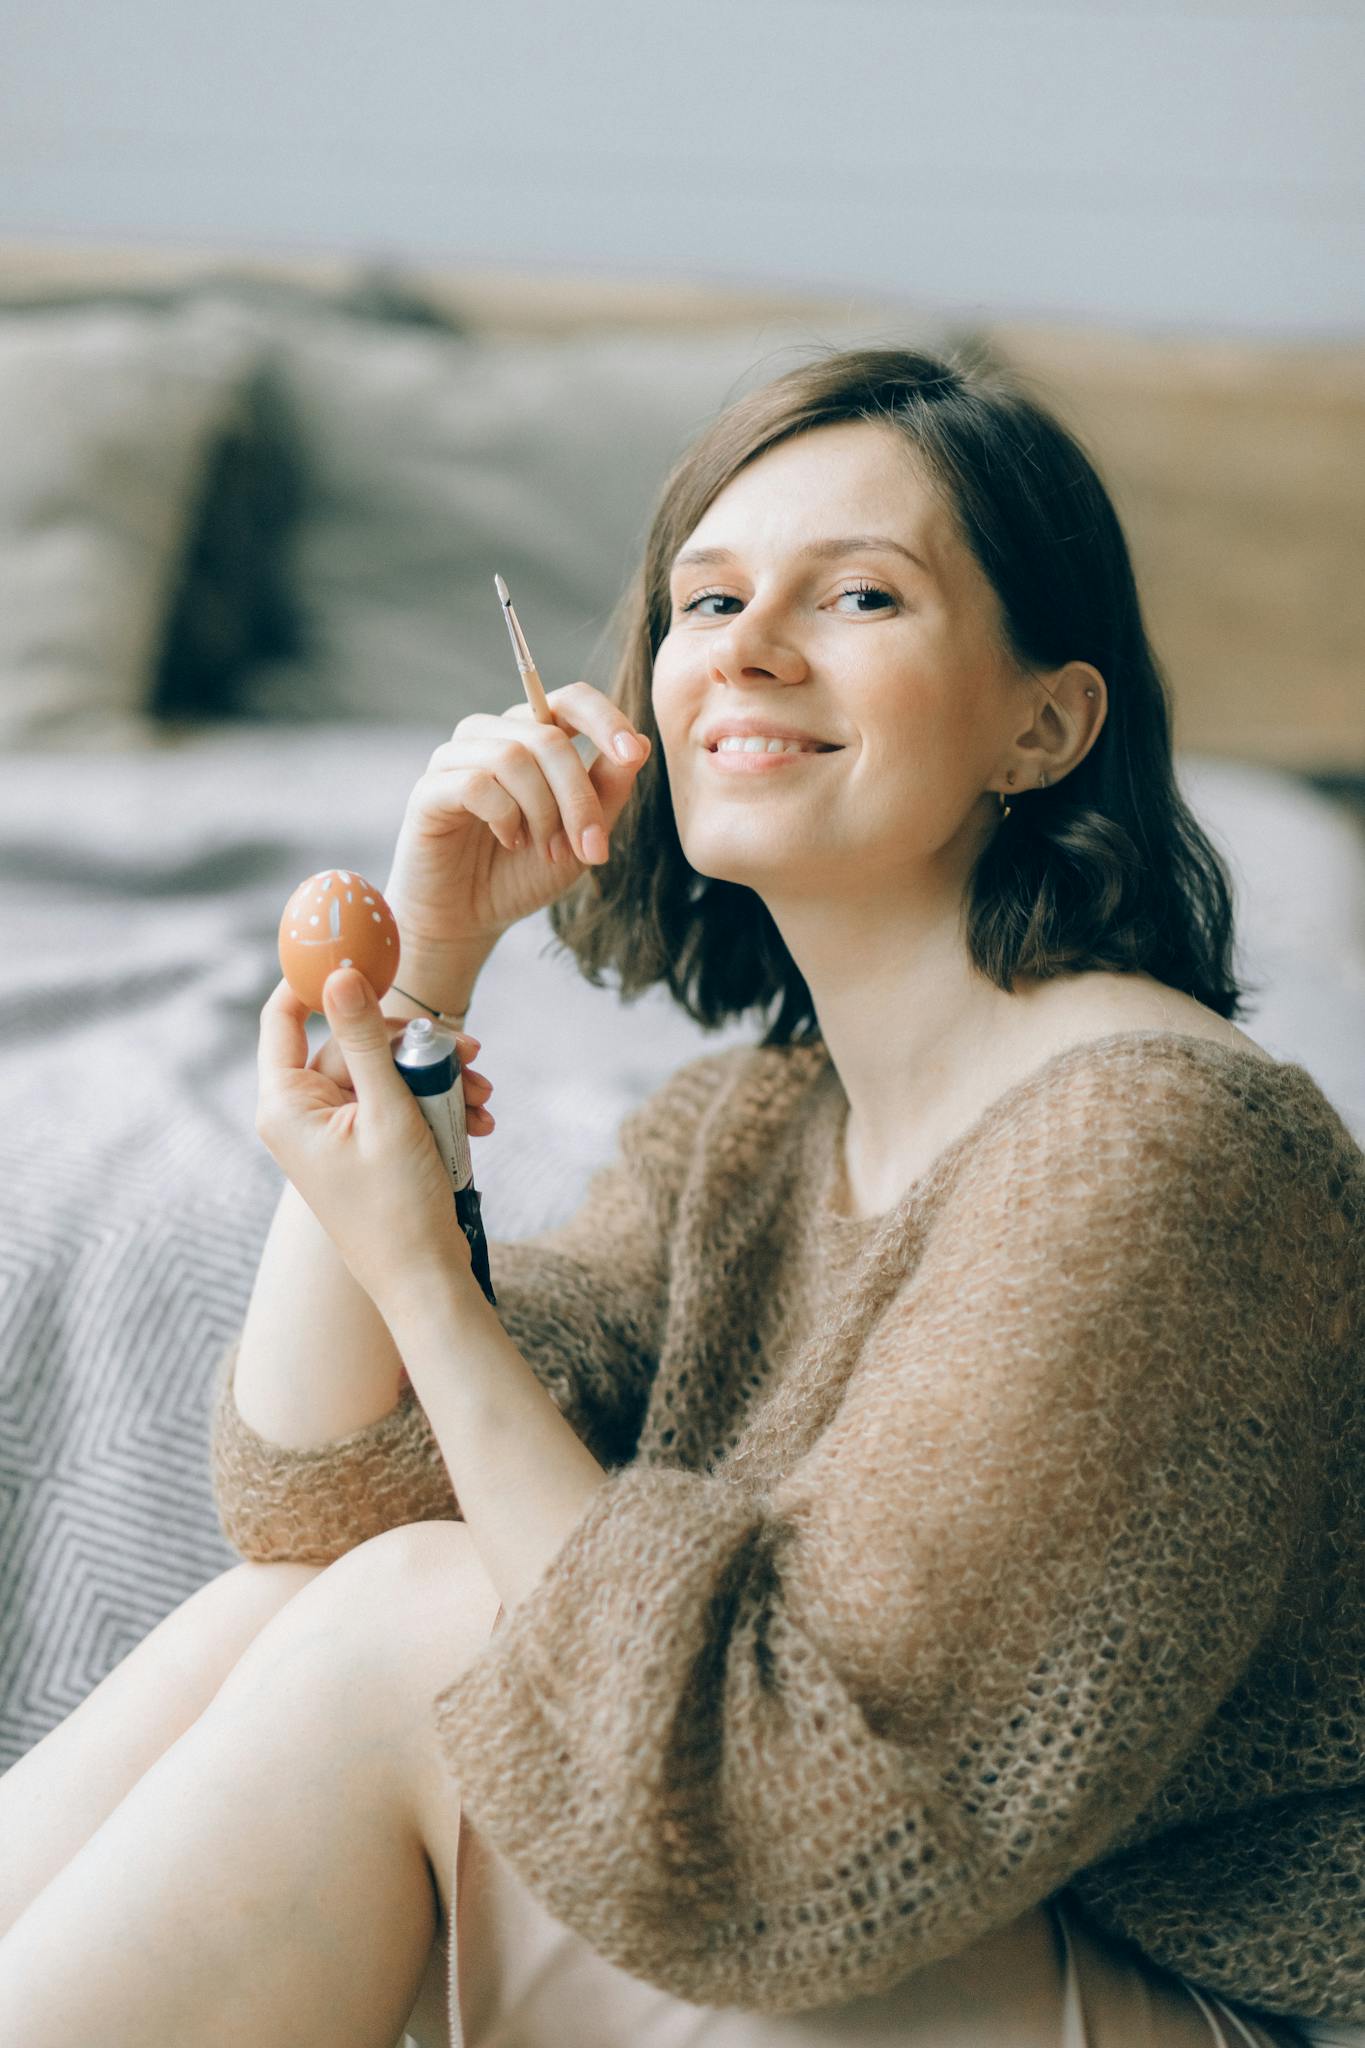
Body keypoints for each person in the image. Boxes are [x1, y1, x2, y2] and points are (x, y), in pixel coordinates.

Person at [0, 345, 1360, 2048]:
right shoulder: (753, 1132)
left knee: (413, 1643)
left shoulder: (1151, 1149)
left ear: (1044, 724)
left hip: (1181, 2002)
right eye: (707, 599)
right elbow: (324, 1503)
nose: (746, 648)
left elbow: (786, 1826)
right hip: (888, 1940)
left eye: (858, 595)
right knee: (309, 1612)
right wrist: (421, 979)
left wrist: (424, 1274)